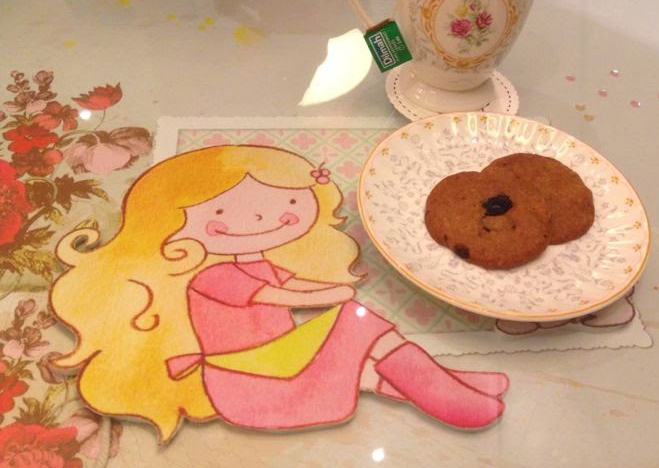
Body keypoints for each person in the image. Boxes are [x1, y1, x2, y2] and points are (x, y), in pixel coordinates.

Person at [51, 145, 507, 441]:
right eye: (220, 212)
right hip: (252, 386)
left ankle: (448, 385)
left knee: (363, 363)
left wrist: (332, 286)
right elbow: (281, 297)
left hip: (277, 368)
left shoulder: (257, 264)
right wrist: (336, 296)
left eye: (290, 202)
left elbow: (293, 284)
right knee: (357, 322)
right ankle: (448, 395)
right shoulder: (213, 276)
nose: (261, 219)